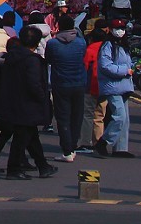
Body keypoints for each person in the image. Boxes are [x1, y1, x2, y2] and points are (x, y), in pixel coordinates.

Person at [0, 25, 57, 180]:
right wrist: (43, 98)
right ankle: (13, 168)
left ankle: (43, 165)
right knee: (21, 138)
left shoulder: (11, 57)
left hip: (12, 101)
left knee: (31, 135)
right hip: (28, 104)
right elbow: (34, 84)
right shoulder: (32, 60)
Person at [45, 14, 87, 161]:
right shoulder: (81, 43)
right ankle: (73, 145)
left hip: (60, 83)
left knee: (63, 117)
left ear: (59, 27)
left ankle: (67, 150)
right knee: (77, 116)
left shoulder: (53, 44)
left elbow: (48, 60)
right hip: (79, 82)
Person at [95, 23, 134, 157]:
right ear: (110, 30)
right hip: (112, 86)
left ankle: (121, 149)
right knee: (119, 116)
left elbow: (126, 63)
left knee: (125, 119)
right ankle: (103, 142)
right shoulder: (107, 46)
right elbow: (105, 66)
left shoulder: (122, 45)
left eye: (122, 28)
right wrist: (125, 71)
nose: (120, 31)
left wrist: (134, 67)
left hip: (123, 85)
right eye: (117, 28)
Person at [78, 19, 109, 153]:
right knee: (100, 116)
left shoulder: (90, 49)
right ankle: (98, 142)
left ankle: (86, 142)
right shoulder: (109, 48)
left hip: (91, 86)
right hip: (105, 86)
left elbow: (84, 67)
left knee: (87, 115)